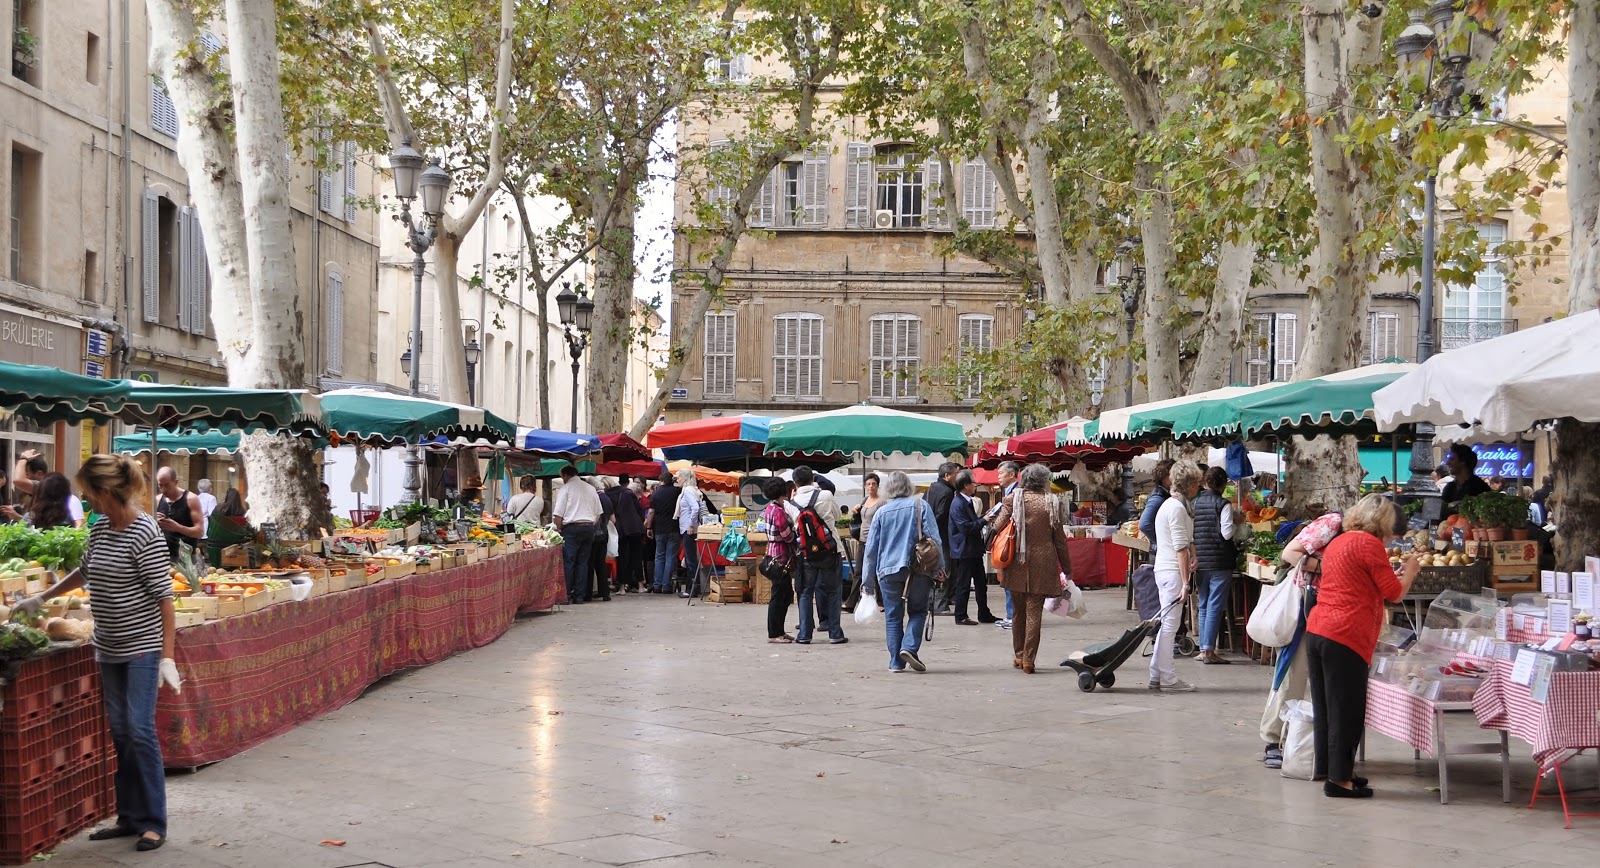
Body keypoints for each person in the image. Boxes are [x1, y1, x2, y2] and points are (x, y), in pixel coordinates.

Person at [18, 454, 179, 851]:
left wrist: (168, 657)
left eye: (90, 495)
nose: (87, 502)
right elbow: (85, 571)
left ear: (106, 492)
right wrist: (42, 596)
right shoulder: (102, 526)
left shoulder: (145, 532)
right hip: (108, 646)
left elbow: (166, 599)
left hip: (141, 647)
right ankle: (128, 817)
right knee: (121, 732)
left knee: (140, 732)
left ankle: (153, 821)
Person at [1306, 495, 1418, 798]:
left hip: (1318, 628)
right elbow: (1394, 593)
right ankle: (1338, 781)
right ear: (1383, 522)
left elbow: (1358, 582)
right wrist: (1410, 571)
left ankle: (1335, 769)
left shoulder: (1339, 541)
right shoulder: (1370, 545)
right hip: (1346, 634)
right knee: (1347, 710)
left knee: (1327, 708)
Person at [1261, 510, 1344, 769]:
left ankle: (1317, 742)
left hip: (1332, 611)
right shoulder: (1333, 523)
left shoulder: (1365, 539)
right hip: (1304, 608)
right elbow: (1290, 554)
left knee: (1328, 682)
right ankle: (1272, 740)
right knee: (1293, 675)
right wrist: (1326, 567)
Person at [991, 464, 1072, 673]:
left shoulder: (1012, 499)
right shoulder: (1051, 502)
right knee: (1034, 612)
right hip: (1043, 562)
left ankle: (1019, 655)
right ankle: (1029, 659)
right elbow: (1060, 540)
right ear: (1044, 480)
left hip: (1016, 561)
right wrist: (1067, 567)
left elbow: (997, 526)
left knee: (1018, 611)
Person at [860, 471, 944, 672]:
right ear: (909, 486)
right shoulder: (920, 506)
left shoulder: (881, 512)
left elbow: (870, 551)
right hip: (917, 569)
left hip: (887, 570)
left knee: (893, 616)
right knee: (918, 610)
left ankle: (895, 662)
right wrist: (940, 567)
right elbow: (935, 539)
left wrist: (867, 582)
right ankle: (909, 647)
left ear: (887, 488)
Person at [1149, 459, 1201, 692]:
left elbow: (1185, 542)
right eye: (1197, 483)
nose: (1199, 487)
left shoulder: (1174, 505)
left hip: (1165, 569)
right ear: (1189, 485)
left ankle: (1156, 674)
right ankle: (1168, 679)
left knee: (1166, 626)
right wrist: (1185, 583)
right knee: (1170, 627)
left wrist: (1194, 553)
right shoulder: (1177, 508)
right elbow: (1180, 548)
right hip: (1171, 572)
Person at [786, 465, 846, 645]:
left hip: (806, 554)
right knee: (834, 591)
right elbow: (836, 516)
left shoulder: (791, 503)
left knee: (805, 592)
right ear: (813, 479)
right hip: (830, 551)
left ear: (795, 483)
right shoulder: (826, 495)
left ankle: (805, 634)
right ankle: (835, 633)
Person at [1192, 466, 1238, 665]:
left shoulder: (1194, 503)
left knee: (1203, 604)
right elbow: (1227, 533)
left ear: (1205, 482)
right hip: (1220, 560)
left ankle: (1203, 648)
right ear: (1223, 484)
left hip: (1200, 559)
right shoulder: (1223, 504)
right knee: (1215, 605)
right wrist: (1238, 523)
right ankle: (1209, 650)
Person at [948, 470, 995, 625]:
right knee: (964, 584)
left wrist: (983, 518)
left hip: (972, 549)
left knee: (981, 583)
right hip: (964, 550)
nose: (975, 486)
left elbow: (971, 523)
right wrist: (984, 521)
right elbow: (965, 527)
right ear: (966, 485)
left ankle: (984, 613)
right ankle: (960, 615)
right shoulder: (958, 503)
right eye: (973, 483)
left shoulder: (966, 501)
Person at [552, 466, 602, 604]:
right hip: (588, 528)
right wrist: (590, 524)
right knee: (583, 563)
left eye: (562, 477)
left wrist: (559, 529)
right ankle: (579, 596)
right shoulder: (591, 489)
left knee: (569, 561)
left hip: (571, 529)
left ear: (566, 476)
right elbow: (598, 513)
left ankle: (566, 594)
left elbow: (558, 514)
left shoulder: (566, 489)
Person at [984, 461, 1022, 630]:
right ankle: (1011, 615)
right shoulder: (1008, 491)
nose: (998, 476)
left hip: (1013, 539)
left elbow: (1005, 518)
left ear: (1012, 474)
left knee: (1010, 577)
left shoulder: (1016, 492)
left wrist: (993, 525)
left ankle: (1013, 616)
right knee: (1007, 577)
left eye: (1001, 473)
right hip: (1008, 538)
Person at [761, 478, 797, 644]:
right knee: (779, 595)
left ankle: (779, 631)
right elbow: (787, 535)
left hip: (772, 553)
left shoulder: (770, 508)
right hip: (781, 556)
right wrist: (794, 535)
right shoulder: (779, 511)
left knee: (785, 594)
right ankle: (774, 633)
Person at [926, 462, 960, 614]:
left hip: (928, 537)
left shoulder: (930, 488)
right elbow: (941, 515)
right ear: (947, 475)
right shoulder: (947, 492)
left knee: (931, 570)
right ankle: (940, 605)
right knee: (945, 569)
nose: (957, 477)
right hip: (942, 536)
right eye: (955, 474)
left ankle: (929, 602)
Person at [154, 468, 204, 562]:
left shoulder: (191, 499)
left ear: (176, 482)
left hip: (186, 558)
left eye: (167, 485)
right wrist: (153, 521)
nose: (163, 490)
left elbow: (200, 532)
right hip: (162, 557)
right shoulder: (157, 500)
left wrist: (177, 527)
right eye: (160, 486)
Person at [609, 474, 646, 594]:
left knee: (622, 557)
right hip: (635, 528)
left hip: (621, 528)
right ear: (628, 481)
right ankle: (641, 585)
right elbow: (639, 510)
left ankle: (621, 587)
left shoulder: (610, 494)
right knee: (637, 556)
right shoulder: (629, 493)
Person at [646, 471, 682, 594]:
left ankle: (657, 585)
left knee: (659, 557)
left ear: (661, 480)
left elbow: (651, 512)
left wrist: (649, 527)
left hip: (659, 529)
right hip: (674, 527)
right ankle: (666, 586)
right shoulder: (677, 492)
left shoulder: (655, 494)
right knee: (670, 557)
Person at [673, 469, 704, 597]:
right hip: (691, 528)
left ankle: (691, 589)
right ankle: (694, 588)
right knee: (691, 559)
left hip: (688, 528)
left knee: (690, 560)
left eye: (678, 478)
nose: (677, 480)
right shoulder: (694, 490)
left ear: (684, 478)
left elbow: (695, 508)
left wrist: (691, 524)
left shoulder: (687, 491)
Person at [1139, 458, 1176, 561]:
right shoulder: (1158, 497)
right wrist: (1163, 540)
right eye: (1172, 474)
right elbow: (1144, 524)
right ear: (1164, 478)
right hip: (1160, 553)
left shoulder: (1165, 494)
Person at [589, 476, 615, 601]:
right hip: (604, 534)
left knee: (590, 563)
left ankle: (587, 593)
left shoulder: (595, 498)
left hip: (594, 534)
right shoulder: (606, 498)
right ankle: (604, 592)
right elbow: (613, 519)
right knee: (601, 564)